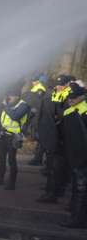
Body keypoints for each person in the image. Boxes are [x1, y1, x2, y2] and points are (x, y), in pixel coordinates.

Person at [37, 75, 75, 204]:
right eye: (58, 85)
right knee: (52, 165)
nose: (59, 87)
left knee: (56, 166)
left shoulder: (69, 96)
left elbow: (62, 115)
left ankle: (52, 193)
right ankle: (52, 190)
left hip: (61, 137)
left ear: (67, 85)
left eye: (62, 84)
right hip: (52, 135)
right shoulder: (54, 94)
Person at [0, 92, 30, 190]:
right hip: (3, 134)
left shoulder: (23, 105)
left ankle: (12, 183)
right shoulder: (8, 104)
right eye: (8, 96)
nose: (9, 98)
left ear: (17, 96)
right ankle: (0, 178)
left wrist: (5, 106)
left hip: (13, 136)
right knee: (1, 158)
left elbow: (15, 116)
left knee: (11, 160)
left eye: (11, 96)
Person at [60, 82, 87, 228]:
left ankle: (77, 219)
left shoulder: (82, 111)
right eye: (70, 98)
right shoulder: (70, 111)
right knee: (78, 186)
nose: (70, 100)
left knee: (81, 187)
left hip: (82, 156)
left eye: (74, 98)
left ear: (82, 97)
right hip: (74, 155)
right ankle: (77, 215)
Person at [23, 74, 48, 166]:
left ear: (38, 81)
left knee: (40, 139)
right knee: (40, 140)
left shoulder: (39, 90)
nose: (33, 82)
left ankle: (38, 158)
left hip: (36, 117)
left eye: (35, 80)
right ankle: (38, 158)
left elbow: (37, 105)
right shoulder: (38, 89)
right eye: (33, 81)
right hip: (36, 117)